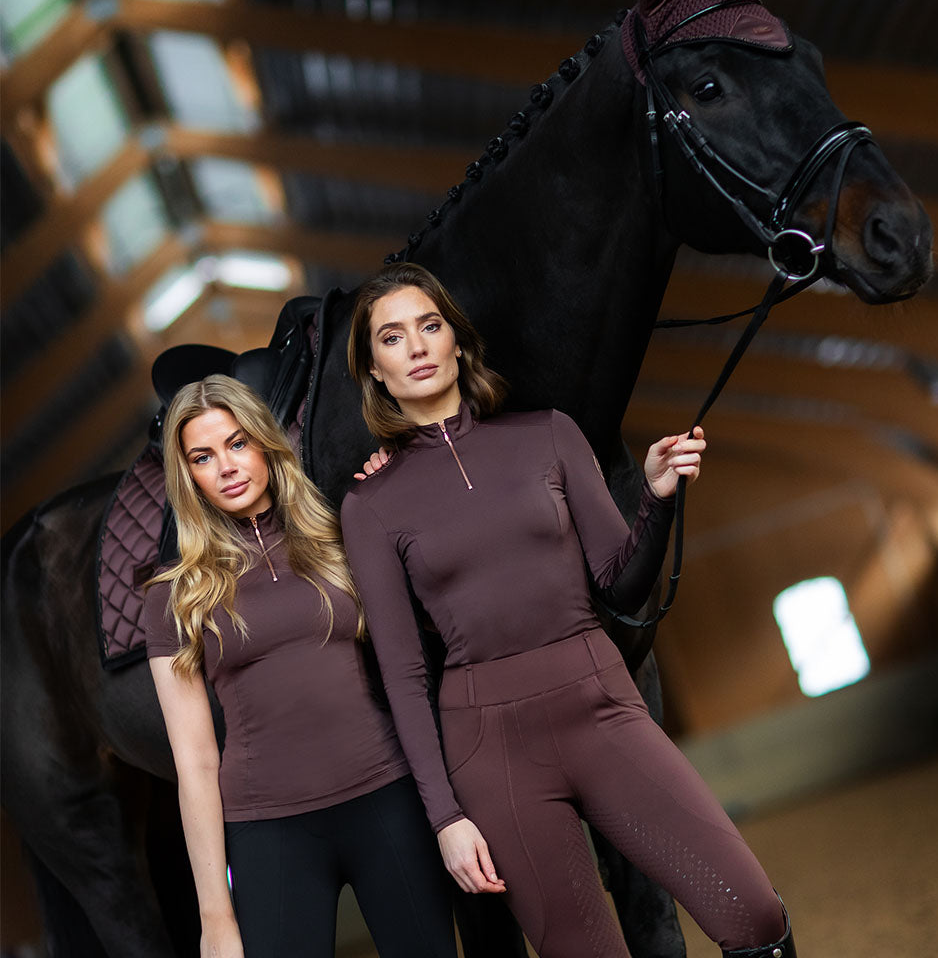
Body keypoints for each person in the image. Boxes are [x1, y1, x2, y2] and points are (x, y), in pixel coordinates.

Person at [339, 263, 796, 958]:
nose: (418, 347)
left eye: (430, 326)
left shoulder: (549, 435)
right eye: (393, 337)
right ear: (375, 369)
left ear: (457, 340)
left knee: (754, 912)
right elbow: (402, 675)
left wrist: (657, 499)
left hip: (601, 706)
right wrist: (445, 818)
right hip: (489, 749)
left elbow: (619, 583)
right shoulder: (370, 505)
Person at [144, 374, 456, 958]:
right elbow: (195, 762)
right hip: (269, 830)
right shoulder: (174, 596)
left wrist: (397, 485)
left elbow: (425, 641)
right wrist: (215, 917)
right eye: (203, 457)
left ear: (265, 443)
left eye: (238, 443)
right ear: (188, 476)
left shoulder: (346, 533)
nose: (227, 467)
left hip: (386, 798)